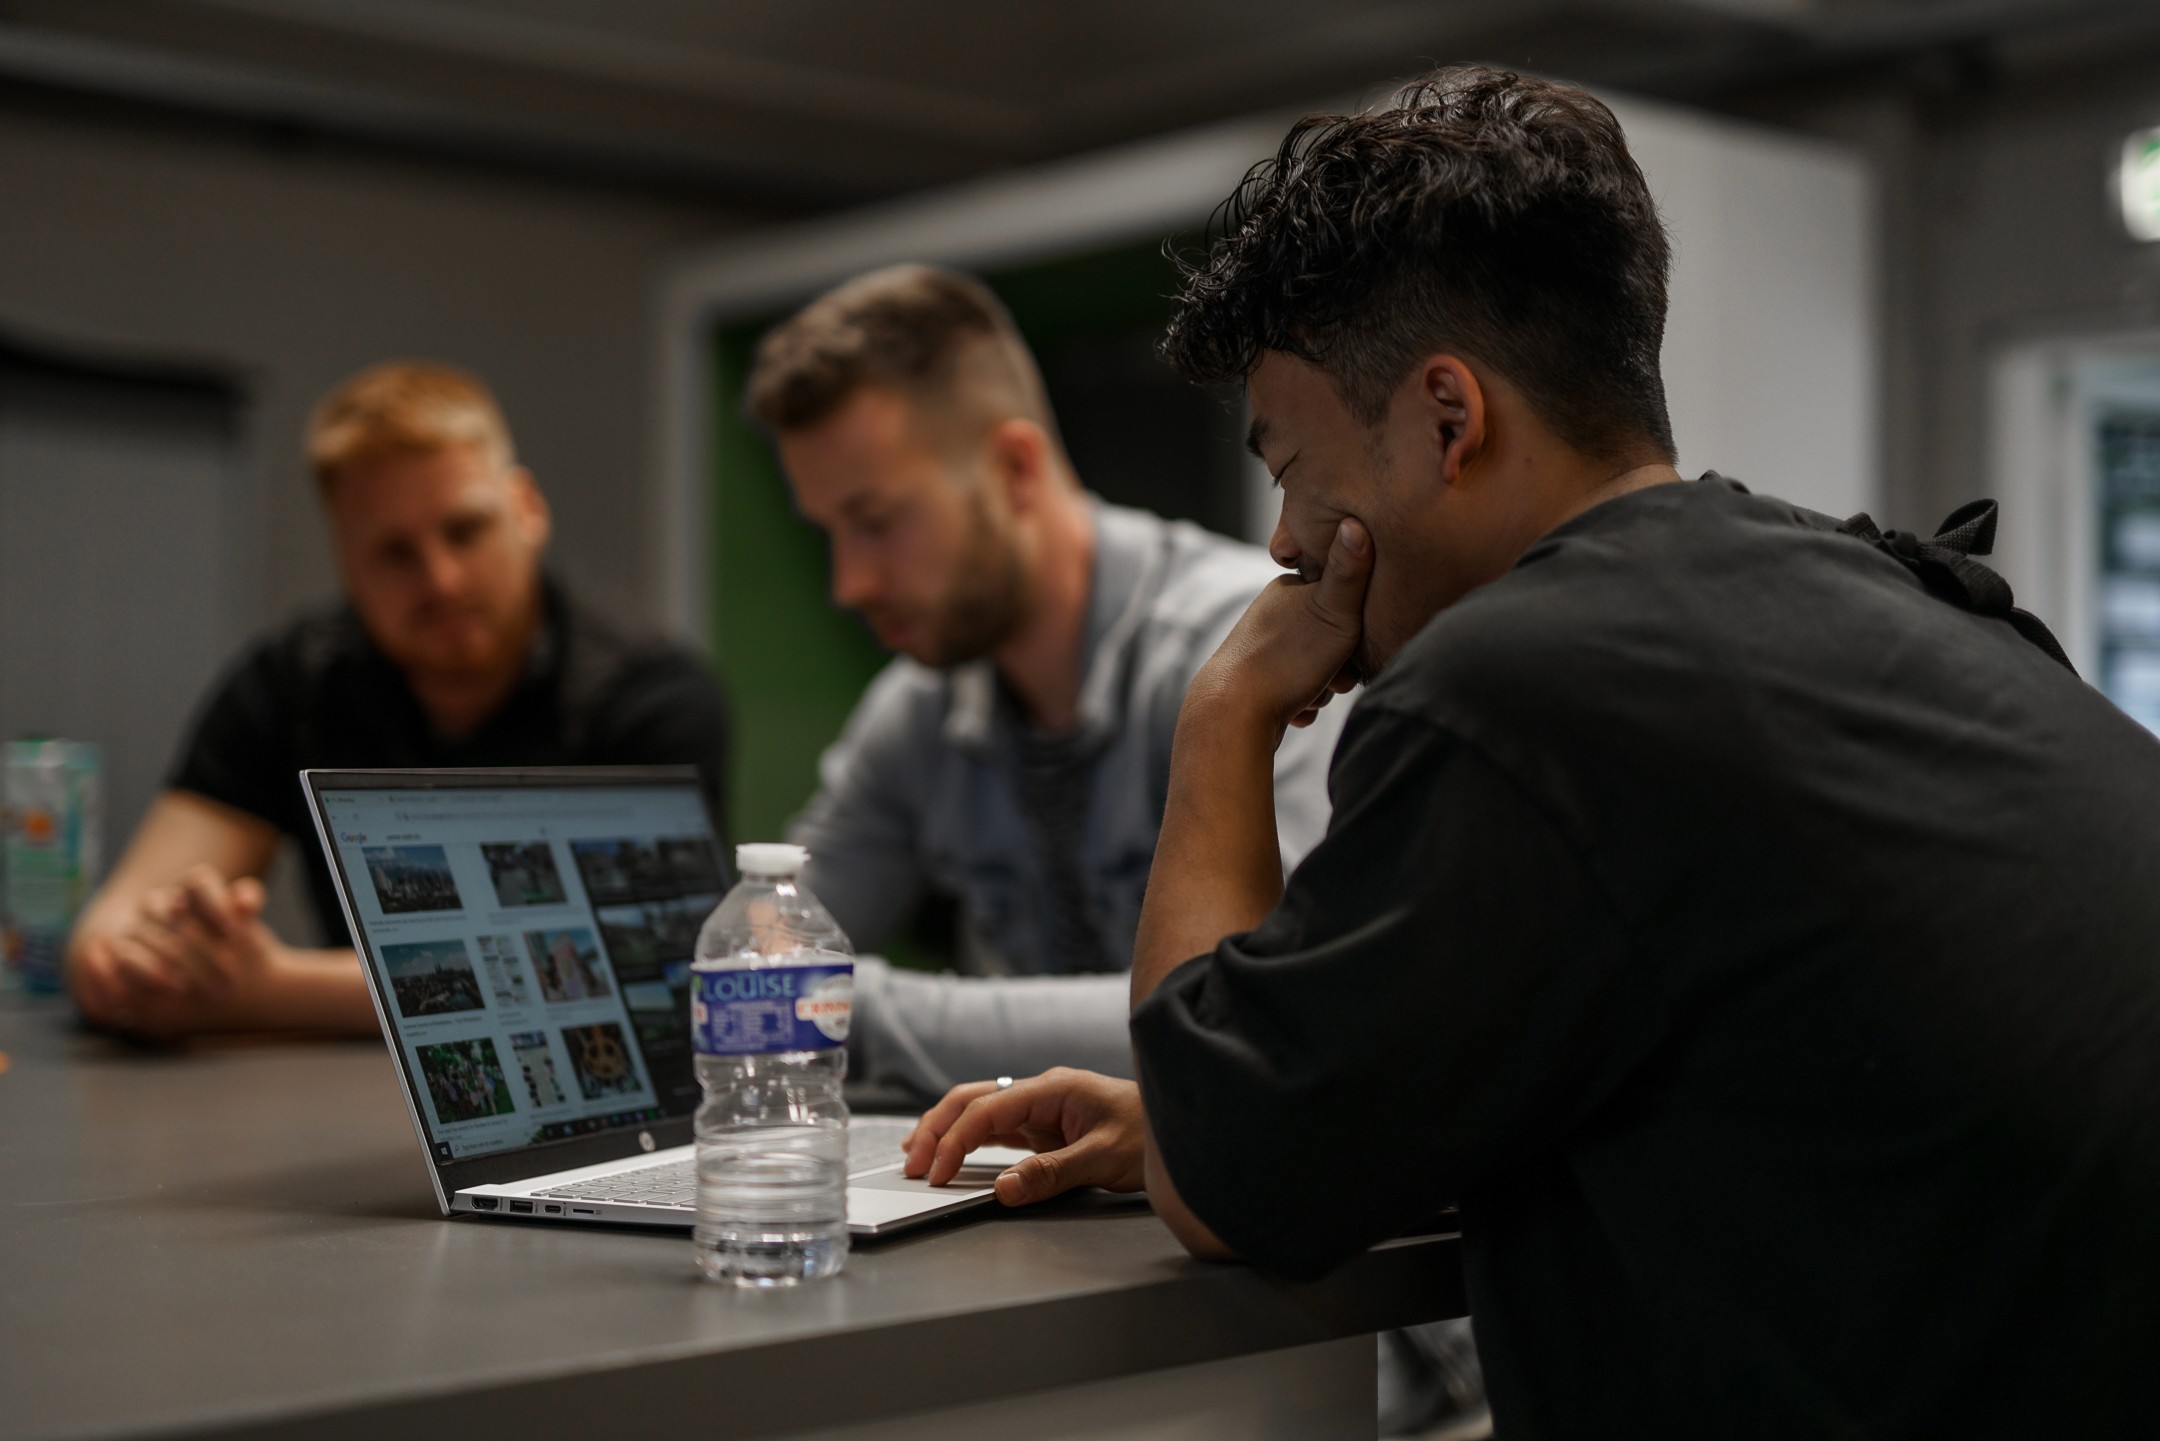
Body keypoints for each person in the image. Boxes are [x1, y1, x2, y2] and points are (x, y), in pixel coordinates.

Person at [904, 67, 2160, 1438]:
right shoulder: (1886, 602)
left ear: (1450, 419)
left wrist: (1224, 714)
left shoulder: (1525, 683)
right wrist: (1219, 1113)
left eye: (1290, 468)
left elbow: (1220, 1188)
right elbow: (1763, 1090)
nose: (1283, 544)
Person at [744, 264, 1347, 1101]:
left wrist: (842, 1005)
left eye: (875, 522)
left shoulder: (1243, 649)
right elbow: (761, 951)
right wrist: (791, 983)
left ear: (1015, 467)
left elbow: (1271, 1003)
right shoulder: (918, 710)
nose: (849, 583)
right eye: (830, 534)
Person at [65, 362, 732, 1039]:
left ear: (527, 508)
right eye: (392, 552)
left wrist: (273, 990)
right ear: (344, 556)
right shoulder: (294, 679)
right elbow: (114, 926)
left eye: (465, 530)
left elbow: (647, 967)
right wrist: (131, 966)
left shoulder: (647, 695)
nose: (441, 580)